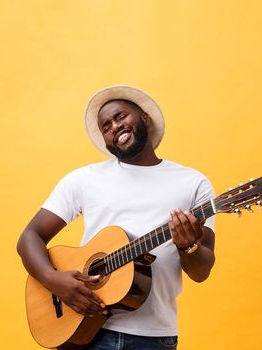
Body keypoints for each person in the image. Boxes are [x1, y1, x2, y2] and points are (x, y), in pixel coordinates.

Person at [16, 86, 216, 350]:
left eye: (121, 116)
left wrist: (187, 245)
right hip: (84, 330)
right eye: (106, 126)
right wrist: (53, 280)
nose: (114, 127)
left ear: (145, 117)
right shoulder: (84, 180)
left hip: (154, 337)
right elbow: (29, 237)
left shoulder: (193, 183)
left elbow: (201, 272)